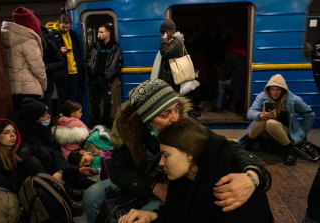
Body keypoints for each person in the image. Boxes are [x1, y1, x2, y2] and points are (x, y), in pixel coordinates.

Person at [83, 79, 271, 223]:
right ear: (146, 120)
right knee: (91, 195)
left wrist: (253, 175)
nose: (175, 118)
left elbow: (227, 147)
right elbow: (116, 170)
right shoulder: (128, 134)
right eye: (165, 114)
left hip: (173, 189)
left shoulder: (185, 127)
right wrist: (151, 186)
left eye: (176, 109)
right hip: (144, 183)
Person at [119, 117, 273, 223]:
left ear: (189, 154)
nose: (160, 163)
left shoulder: (227, 194)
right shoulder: (187, 179)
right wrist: (151, 216)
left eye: (166, 155)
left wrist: (253, 174)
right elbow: (178, 212)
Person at [13, 97, 95, 189]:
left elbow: (55, 150)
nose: (49, 116)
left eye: (47, 113)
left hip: (57, 170)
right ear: (34, 119)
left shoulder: (43, 129)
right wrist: (58, 174)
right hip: (48, 176)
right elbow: (47, 155)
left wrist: (64, 171)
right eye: (44, 115)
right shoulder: (30, 139)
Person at [239, 74, 315, 166]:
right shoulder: (262, 96)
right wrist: (261, 115)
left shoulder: (294, 99)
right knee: (262, 120)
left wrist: (302, 133)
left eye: (278, 90)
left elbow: (310, 115)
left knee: (271, 123)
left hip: (284, 132)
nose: (274, 93)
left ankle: (289, 150)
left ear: (283, 90)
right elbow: (249, 113)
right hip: (265, 134)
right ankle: (248, 144)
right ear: (268, 89)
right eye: (272, 89)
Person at [1, 6, 47, 109]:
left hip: (10, 89)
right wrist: (43, 87)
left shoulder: (4, 35)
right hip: (29, 89)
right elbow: (38, 68)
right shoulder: (29, 40)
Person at [0, 119, 27, 222]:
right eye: (6, 132)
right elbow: (3, 183)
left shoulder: (17, 153)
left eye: (14, 132)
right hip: (1, 196)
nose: (13, 136)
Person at [45, 14, 84, 112]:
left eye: (68, 27)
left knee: (73, 98)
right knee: (62, 98)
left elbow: (78, 53)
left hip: (74, 71)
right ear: (58, 23)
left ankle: (72, 118)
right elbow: (47, 53)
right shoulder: (51, 34)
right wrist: (59, 50)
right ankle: (62, 119)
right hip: (61, 71)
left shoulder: (72, 34)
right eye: (63, 27)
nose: (66, 29)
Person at [86, 23, 123, 126]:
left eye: (101, 32)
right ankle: (97, 124)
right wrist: (90, 70)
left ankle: (105, 123)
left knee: (107, 103)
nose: (99, 34)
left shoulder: (115, 47)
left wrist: (110, 77)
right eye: (98, 32)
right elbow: (89, 58)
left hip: (106, 79)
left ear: (108, 33)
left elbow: (118, 63)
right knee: (94, 103)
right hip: (94, 78)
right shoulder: (96, 45)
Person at [158, 19, 185, 93]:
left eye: (164, 33)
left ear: (168, 33)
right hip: (170, 77)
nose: (162, 35)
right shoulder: (172, 41)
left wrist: (164, 40)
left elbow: (165, 53)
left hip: (172, 78)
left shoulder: (176, 42)